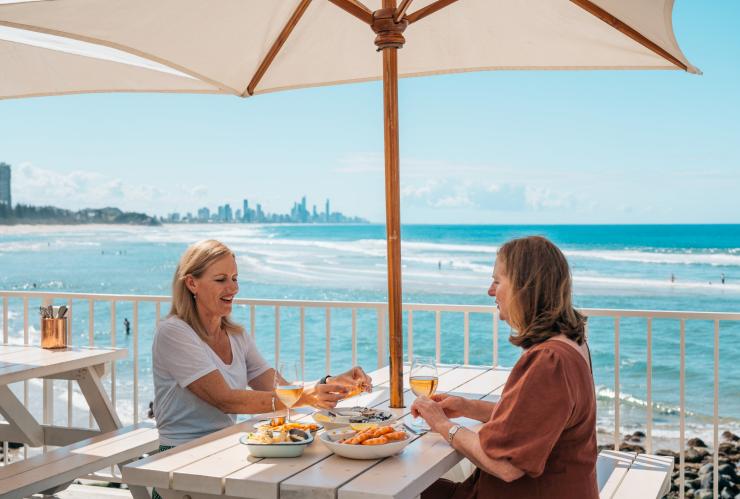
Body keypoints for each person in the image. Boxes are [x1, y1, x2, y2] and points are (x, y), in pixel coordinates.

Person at [413, 236, 597, 499]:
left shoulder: (549, 360)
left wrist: (442, 425)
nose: (490, 291)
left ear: (525, 288)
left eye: (497, 281)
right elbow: (533, 420)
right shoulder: (572, 344)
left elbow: (506, 466)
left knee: (383, 491)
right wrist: (469, 407)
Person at [152, 239, 372, 448]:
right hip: (179, 454)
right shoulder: (174, 333)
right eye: (221, 280)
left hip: (223, 445)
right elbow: (225, 400)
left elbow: (280, 389)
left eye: (235, 278)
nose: (233, 288)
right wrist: (306, 397)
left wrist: (330, 383)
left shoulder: (236, 336)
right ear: (192, 283)